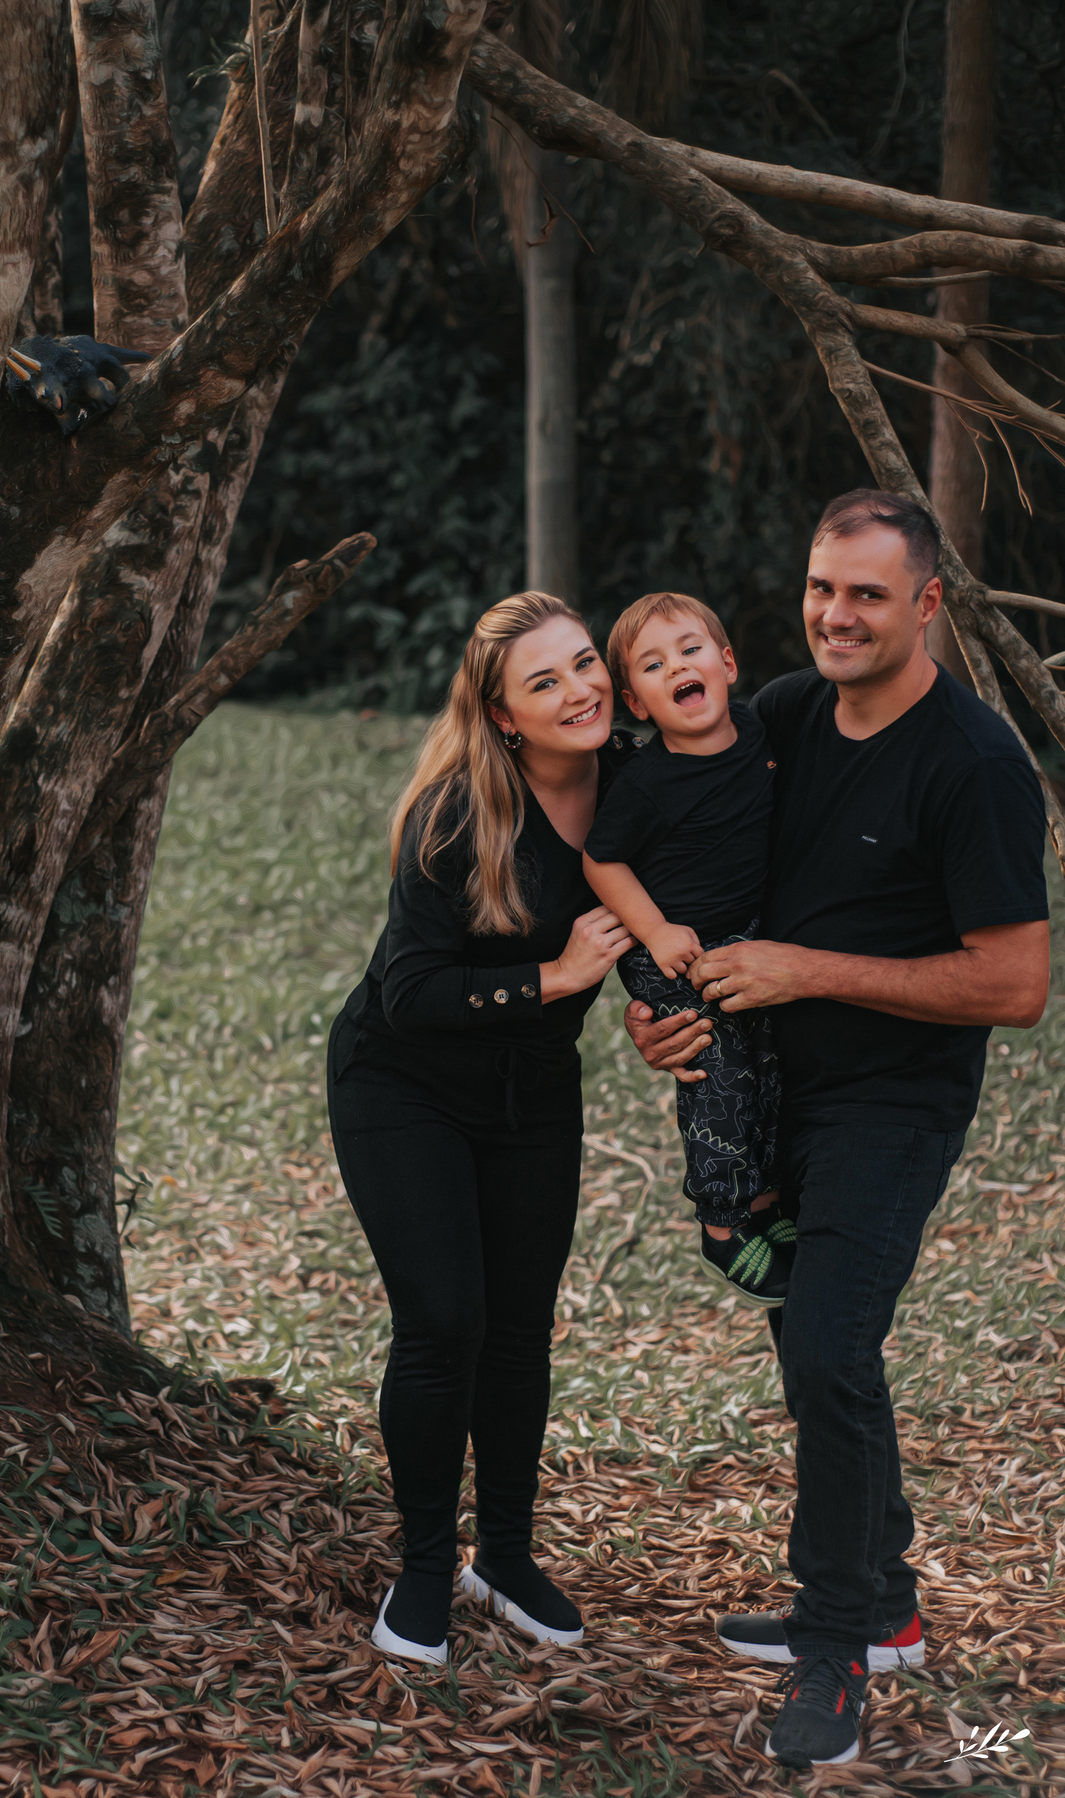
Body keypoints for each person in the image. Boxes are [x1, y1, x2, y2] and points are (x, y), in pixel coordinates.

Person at [624, 490, 1050, 1770]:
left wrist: (808, 969)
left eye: (868, 593)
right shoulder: (789, 719)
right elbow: (696, 883)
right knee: (817, 1342)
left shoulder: (974, 764)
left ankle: (833, 1650)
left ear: (928, 605)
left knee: (826, 1340)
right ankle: (889, 1600)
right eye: (821, 587)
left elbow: (1014, 985)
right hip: (769, 1086)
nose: (836, 614)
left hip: (894, 1102)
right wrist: (660, 1012)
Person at [327, 591, 640, 1666]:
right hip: (402, 1084)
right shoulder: (458, 814)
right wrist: (553, 977)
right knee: (445, 1319)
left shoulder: (639, 783)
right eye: (544, 681)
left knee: (518, 1326)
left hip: (533, 1095)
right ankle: (423, 1565)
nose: (579, 688)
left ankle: (503, 1553)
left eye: (586, 662)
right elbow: (410, 991)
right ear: (505, 717)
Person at [581, 590, 788, 1305]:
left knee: (770, 1058)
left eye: (691, 650)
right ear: (637, 702)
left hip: (744, 937)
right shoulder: (646, 782)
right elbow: (601, 862)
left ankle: (763, 1203)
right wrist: (655, 930)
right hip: (670, 947)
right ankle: (723, 1222)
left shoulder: (761, 736)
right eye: (654, 664)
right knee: (720, 1067)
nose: (678, 668)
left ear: (727, 664)